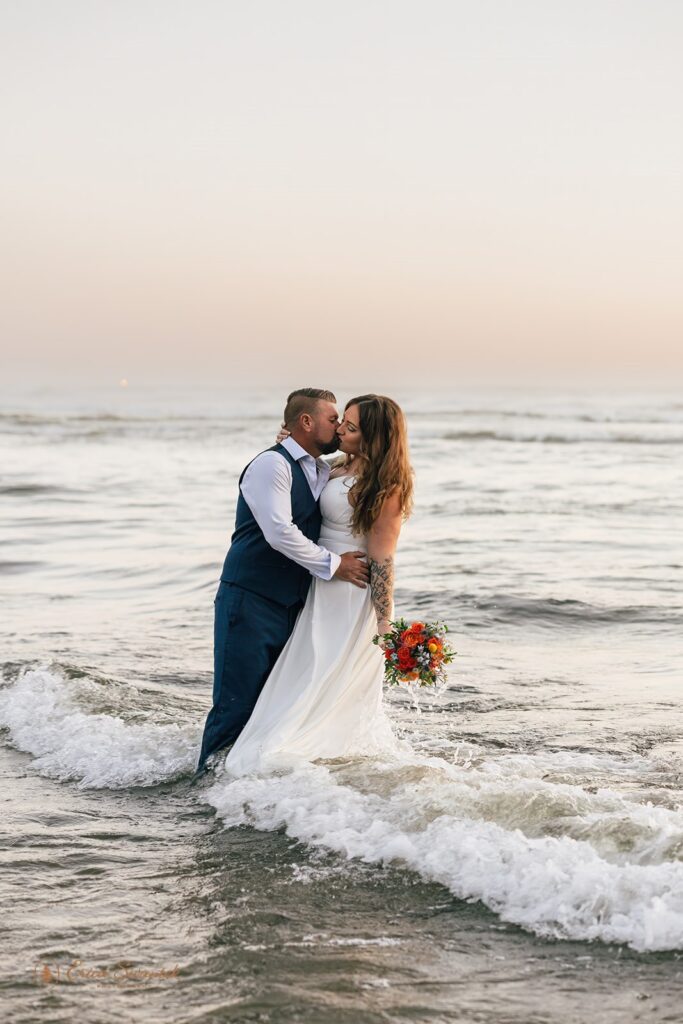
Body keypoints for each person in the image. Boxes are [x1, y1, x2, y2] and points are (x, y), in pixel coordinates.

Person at [219, 393, 414, 777]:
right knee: (298, 677)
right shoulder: (335, 467)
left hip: (346, 590)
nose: (340, 428)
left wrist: (384, 624)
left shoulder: (385, 487)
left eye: (351, 426)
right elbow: (297, 481)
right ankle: (260, 757)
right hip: (319, 582)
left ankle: (291, 763)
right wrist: (288, 444)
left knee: (318, 677)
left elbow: (382, 559)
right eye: (341, 421)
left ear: (374, 437)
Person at [195, 388, 370, 776]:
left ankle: (244, 787)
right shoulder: (270, 466)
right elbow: (279, 532)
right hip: (251, 598)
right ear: (306, 422)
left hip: (293, 603)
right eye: (332, 418)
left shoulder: (320, 468)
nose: (339, 426)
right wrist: (334, 565)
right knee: (235, 703)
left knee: (272, 705)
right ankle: (205, 787)